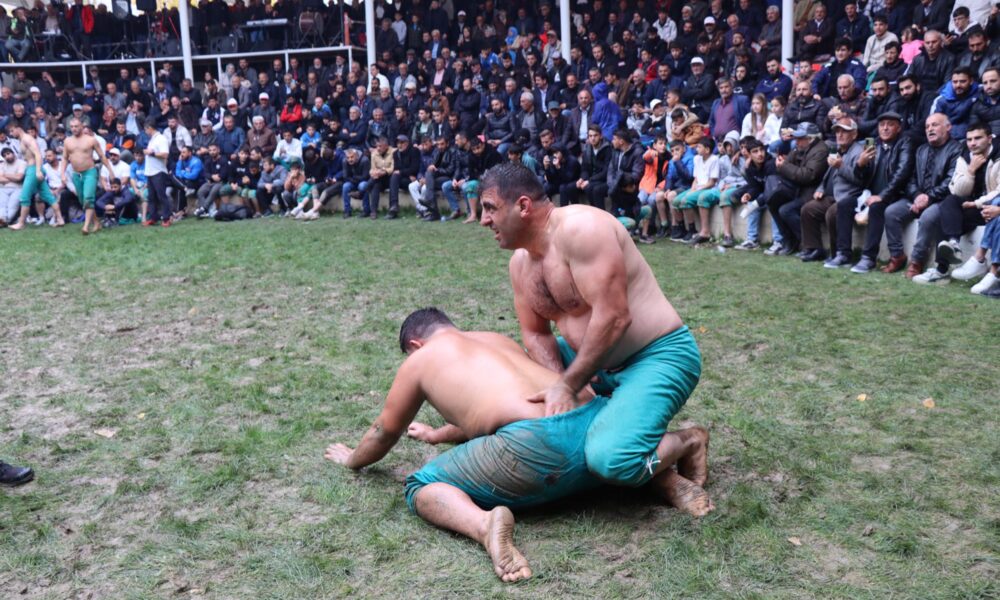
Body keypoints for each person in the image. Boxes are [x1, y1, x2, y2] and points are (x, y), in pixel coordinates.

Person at [324, 308, 712, 583]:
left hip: (535, 451)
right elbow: (503, 404)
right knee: (607, 458)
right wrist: (437, 434)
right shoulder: (493, 340)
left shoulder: (420, 361)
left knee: (420, 485)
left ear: (416, 344)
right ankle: (670, 466)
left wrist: (353, 460)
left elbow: (383, 432)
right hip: (595, 424)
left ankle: (484, 525)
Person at [478, 163, 707, 499]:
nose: (483, 220)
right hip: (589, 362)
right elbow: (537, 335)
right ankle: (605, 416)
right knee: (509, 375)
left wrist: (569, 385)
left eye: (490, 208)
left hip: (656, 354)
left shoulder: (582, 229)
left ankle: (689, 441)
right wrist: (559, 381)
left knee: (612, 460)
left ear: (523, 206)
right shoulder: (520, 264)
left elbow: (614, 317)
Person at [883, 113, 964, 277]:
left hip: (941, 200)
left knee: (927, 217)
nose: (930, 129)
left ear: (948, 127)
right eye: (927, 126)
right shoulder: (921, 149)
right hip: (918, 198)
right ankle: (897, 256)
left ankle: (917, 261)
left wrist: (929, 198)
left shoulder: (957, 149)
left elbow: (952, 180)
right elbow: (911, 178)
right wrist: (917, 195)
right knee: (891, 212)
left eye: (935, 125)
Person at [849, 112, 917, 273]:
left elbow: (902, 173)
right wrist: (860, 165)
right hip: (871, 194)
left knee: (876, 208)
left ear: (898, 128)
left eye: (890, 124)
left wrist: (882, 196)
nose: (885, 128)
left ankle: (868, 258)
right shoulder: (874, 144)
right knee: (844, 203)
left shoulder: (905, 142)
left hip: (896, 195)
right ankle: (842, 253)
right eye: (882, 125)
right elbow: (862, 177)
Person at [59, 117, 114, 235]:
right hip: (76, 174)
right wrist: (62, 174)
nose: (74, 129)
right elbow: (64, 158)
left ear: (81, 126)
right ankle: (96, 222)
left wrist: (110, 171)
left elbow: (102, 156)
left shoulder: (91, 140)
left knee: (88, 198)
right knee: (83, 201)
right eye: (72, 127)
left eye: (76, 126)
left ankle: (86, 226)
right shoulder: (67, 141)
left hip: (90, 172)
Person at [6, 122, 64, 230]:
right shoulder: (21, 140)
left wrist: (38, 171)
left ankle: (21, 223)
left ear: (18, 128)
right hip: (31, 169)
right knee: (48, 196)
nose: (11, 133)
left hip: (34, 169)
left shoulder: (27, 139)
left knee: (24, 196)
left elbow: (38, 154)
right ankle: (60, 219)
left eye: (12, 130)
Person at [142, 117, 174, 227]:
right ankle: (153, 217)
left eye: (146, 129)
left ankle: (166, 218)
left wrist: (152, 153)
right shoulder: (152, 139)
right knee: (151, 197)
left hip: (158, 171)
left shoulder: (161, 139)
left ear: (149, 128)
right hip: (150, 171)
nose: (145, 132)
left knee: (161, 196)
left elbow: (165, 154)